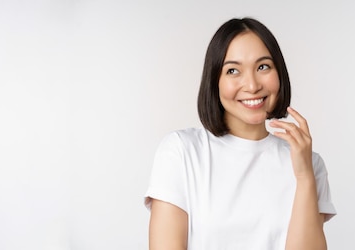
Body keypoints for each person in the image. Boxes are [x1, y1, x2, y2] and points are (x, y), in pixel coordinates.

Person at [144, 17, 336, 250]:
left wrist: (305, 177)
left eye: (263, 67)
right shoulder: (182, 152)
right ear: (215, 80)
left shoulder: (311, 164)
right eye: (233, 70)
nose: (252, 85)